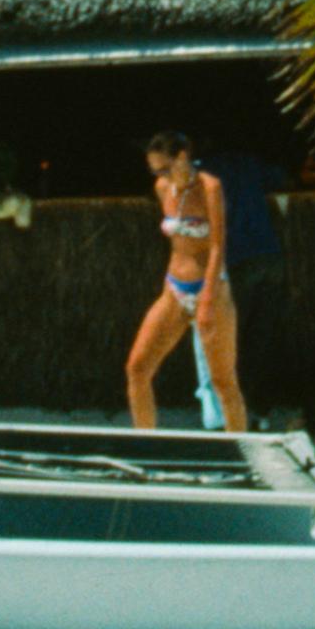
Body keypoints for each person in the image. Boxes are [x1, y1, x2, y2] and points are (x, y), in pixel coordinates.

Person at [124, 130, 247, 431]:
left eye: (164, 167)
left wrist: (206, 299)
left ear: (182, 157)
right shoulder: (163, 188)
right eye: (154, 170)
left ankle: (242, 454)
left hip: (211, 288)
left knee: (223, 381)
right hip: (175, 289)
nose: (160, 175)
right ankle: (146, 446)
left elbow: (218, 244)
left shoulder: (209, 187)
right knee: (137, 368)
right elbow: (177, 242)